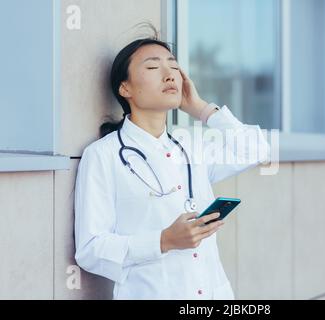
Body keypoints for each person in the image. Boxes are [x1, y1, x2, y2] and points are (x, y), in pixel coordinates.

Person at [74, 35, 270, 300]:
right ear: (125, 88)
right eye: (153, 67)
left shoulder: (191, 147)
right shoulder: (102, 156)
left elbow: (258, 150)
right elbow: (90, 250)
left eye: (174, 67)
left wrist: (202, 109)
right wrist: (163, 241)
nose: (169, 75)